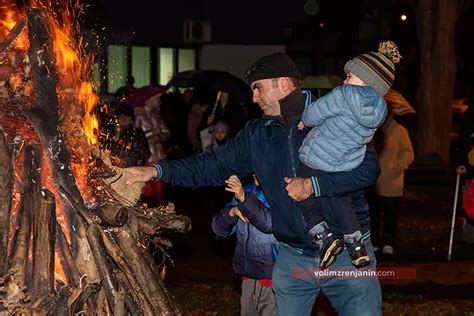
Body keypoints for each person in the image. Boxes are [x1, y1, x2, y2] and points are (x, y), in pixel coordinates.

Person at [125, 52, 382, 315]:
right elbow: (210, 166)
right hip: (293, 257)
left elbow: (368, 170)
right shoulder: (257, 135)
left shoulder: (332, 119)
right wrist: (155, 171)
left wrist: (313, 186)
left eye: (258, 88)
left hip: (347, 254)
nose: (254, 98)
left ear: (283, 84)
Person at [297, 41, 400, 268]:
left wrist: (305, 119)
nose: (345, 81)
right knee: (341, 199)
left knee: (300, 189)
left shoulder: (343, 94)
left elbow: (318, 111)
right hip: (346, 162)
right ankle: (356, 245)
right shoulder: (381, 109)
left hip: (318, 158)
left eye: (350, 76)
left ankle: (322, 236)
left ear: (365, 80)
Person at [212, 174, 277, 315]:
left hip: (273, 279)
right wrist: (232, 212)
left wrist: (243, 198)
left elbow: (269, 223)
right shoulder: (246, 190)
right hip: (248, 277)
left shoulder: (279, 191)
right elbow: (219, 229)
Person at [370, 107, 414, 254]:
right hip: (375, 180)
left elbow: (408, 153)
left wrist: (397, 167)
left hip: (392, 182)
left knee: (391, 214)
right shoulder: (375, 131)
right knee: (373, 213)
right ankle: (374, 241)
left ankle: (389, 242)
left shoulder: (400, 131)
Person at [99, 103, 149, 167]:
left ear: (131, 119)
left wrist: (125, 162)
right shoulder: (107, 132)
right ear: (117, 117)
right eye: (121, 116)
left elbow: (142, 156)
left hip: (129, 170)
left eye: (127, 116)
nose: (124, 118)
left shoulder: (136, 135)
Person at [455, 98, 474, 243]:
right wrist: (462, 162)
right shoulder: (470, 115)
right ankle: (469, 238)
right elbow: (463, 141)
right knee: (470, 204)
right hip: (471, 169)